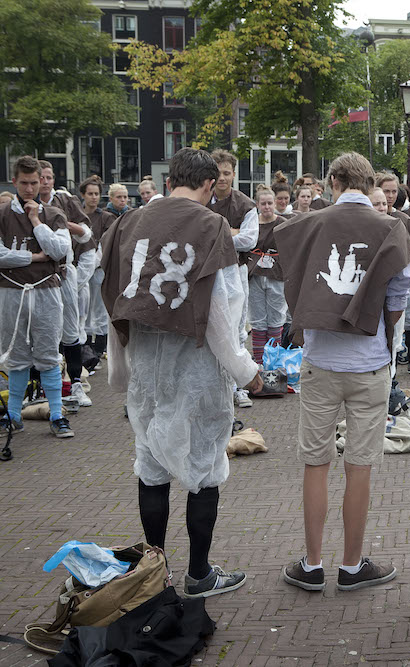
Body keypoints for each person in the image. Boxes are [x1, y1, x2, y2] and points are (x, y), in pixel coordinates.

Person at [102, 147, 261, 598]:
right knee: (205, 467)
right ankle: (199, 572)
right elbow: (221, 313)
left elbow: (112, 298)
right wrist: (245, 369)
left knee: (150, 466)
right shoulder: (212, 227)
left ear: (170, 179)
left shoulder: (124, 224)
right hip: (197, 365)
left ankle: (154, 575)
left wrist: (119, 370)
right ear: (209, 186)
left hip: (147, 364)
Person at [276, 152, 410, 593]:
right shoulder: (390, 227)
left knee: (316, 463)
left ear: (332, 181)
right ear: (370, 183)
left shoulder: (309, 223)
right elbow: (400, 291)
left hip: (320, 363)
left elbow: (289, 278)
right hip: (369, 363)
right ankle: (352, 566)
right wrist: (384, 331)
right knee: (360, 466)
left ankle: (312, 564)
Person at [0, 156, 73, 438]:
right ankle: (14, 415)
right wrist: (33, 257)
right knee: (16, 354)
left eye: (35, 182)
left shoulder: (53, 214)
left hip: (46, 291)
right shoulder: (3, 214)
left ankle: (57, 414)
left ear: (41, 181)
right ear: (15, 181)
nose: (30, 188)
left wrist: (35, 220)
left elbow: (59, 251)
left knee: (48, 353)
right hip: (11, 293)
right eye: (24, 183)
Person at [39, 160, 94, 409]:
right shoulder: (21, 207)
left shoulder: (63, 201)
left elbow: (86, 233)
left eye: (49, 177)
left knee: (71, 330)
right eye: (41, 177)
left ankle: (76, 385)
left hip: (63, 271)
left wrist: (60, 222)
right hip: (35, 275)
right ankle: (43, 388)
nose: (45, 182)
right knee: (41, 331)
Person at [208, 149, 259, 409]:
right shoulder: (201, 200)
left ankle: (237, 386)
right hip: (207, 272)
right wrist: (230, 232)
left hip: (235, 271)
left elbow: (250, 240)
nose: (222, 178)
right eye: (217, 173)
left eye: (227, 173)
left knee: (237, 327)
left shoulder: (245, 205)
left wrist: (217, 235)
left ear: (234, 174)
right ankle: (214, 384)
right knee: (210, 326)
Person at [376, 172, 410, 375]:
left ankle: (405, 363)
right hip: (378, 279)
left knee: (406, 319)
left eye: (394, 191)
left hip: (402, 276)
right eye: (386, 191)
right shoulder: (371, 219)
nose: (390, 196)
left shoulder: (403, 219)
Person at [248, 185, 287, 364]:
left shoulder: (283, 223)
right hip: (255, 275)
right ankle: (258, 362)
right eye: (263, 203)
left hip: (276, 275)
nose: (267, 207)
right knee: (258, 320)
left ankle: (274, 361)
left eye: (270, 203)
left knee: (276, 318)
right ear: (257, 204)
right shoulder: (252, 224)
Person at [79, 176, 116, 364]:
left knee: (100, 307)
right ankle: (85, 347)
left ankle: (100, 347)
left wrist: (94, 261)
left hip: (99, 268)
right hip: (79, 269)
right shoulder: (77, 215)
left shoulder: (106, 217)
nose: (94, 197)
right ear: (83, 195)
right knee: (83, 308)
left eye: (97, 194)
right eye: (90, 194)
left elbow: (107, 242)